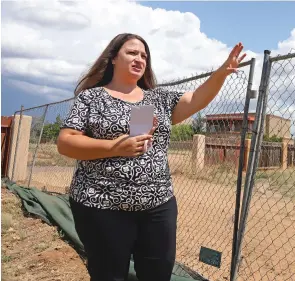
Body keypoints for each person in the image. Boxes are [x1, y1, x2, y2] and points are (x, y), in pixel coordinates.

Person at [57, 33, 246, 281]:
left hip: (157, 206)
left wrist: (222, 72)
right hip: (101, 206)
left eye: (144, 55)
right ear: (113, 58)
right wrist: (114, 146)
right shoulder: (92, 97)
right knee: (108, 275)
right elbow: (66, 142)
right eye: (132, 53)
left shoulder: (158, 99)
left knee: (157, 274)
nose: (139, 59)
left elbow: (197, 98)